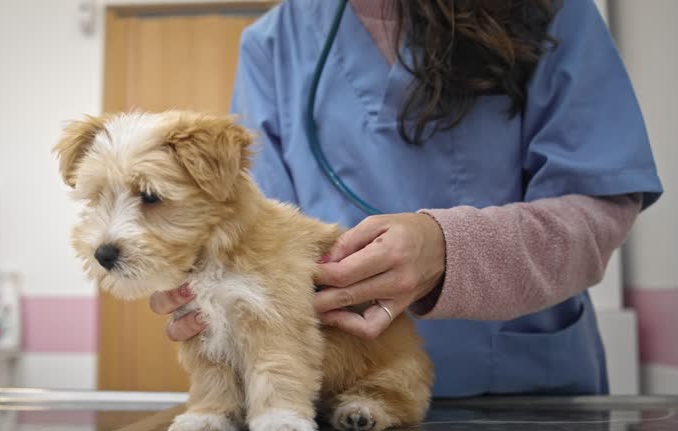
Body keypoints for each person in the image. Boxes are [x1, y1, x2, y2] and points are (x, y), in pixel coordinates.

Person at [149, 0, 663, 397]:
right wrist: (203, 279)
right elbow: (257, 238)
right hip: (338, 389)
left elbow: (597, 206)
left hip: (520, 390)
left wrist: (450, 249)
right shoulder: (273, 43)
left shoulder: (548, 11)